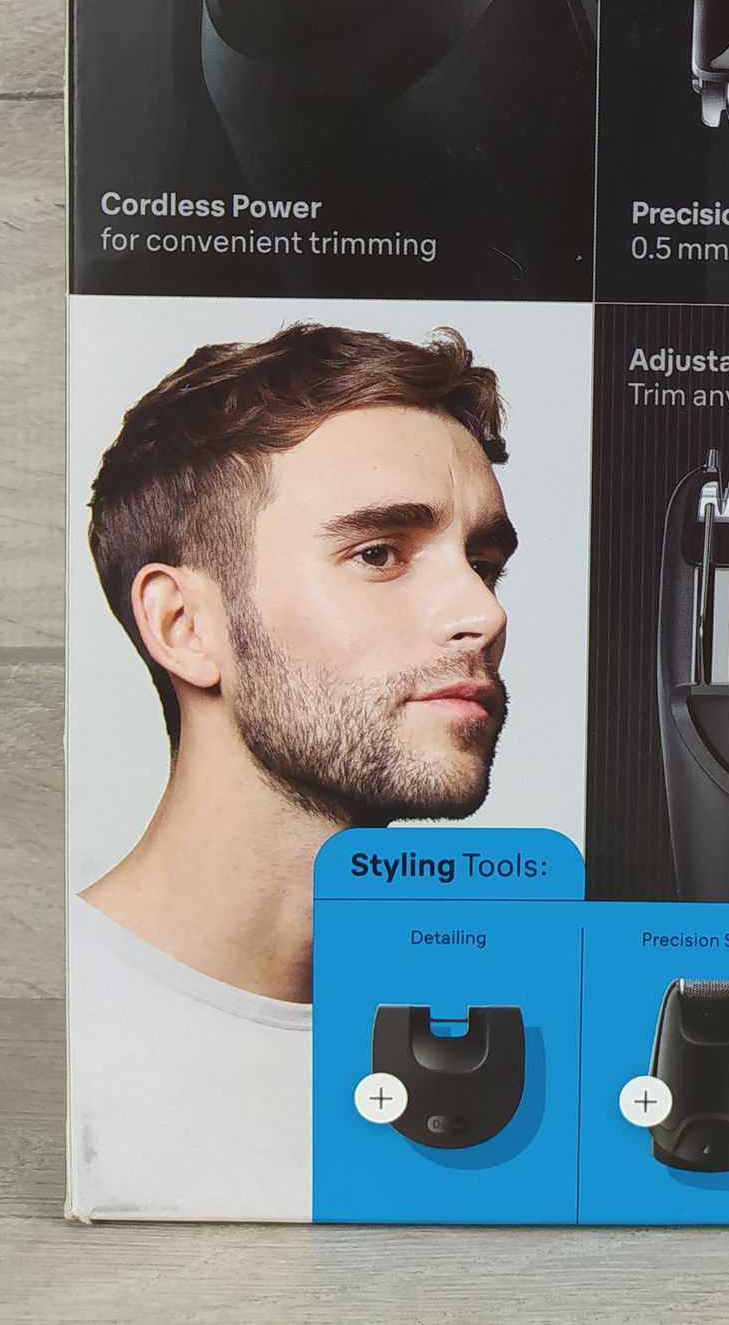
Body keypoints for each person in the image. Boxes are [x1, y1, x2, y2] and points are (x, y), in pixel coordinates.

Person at [68, 322, 515, 1221]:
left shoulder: (507, 1019)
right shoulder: (64, 1041)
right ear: (184, 625)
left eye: (485, 563)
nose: (481, 613)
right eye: (379, 553)